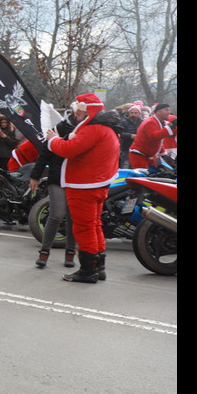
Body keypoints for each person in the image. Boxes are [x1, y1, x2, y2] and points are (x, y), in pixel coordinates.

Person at [44, 93, 121, 283]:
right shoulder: (106, 129)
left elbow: (68, 149)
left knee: (84, 228)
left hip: (84, 185)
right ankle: (98, 266)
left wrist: (53, 139)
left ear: (88, 112)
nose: (76, 117)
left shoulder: (93, 130)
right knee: (94, 225)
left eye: (78, 114)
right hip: (97, 184)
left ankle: (88, 271)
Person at [29, 113, 78, 269]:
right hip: (57, 178)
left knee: (72, 217)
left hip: (76, 179)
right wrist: (35, 176)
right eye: (76, 112)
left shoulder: (87, 129)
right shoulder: (58, 128)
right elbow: (45, 154)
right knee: (56, 215)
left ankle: (70, 252)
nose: (79, 115)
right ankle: (44, 252)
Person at [129, 103, 176, 171]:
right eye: (166, 110)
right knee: (141, 178)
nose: (168, 112)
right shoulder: (150, 122)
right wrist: (170, 127)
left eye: (169, 110)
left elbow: (159, 141)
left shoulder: (159, 122)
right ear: (158, 112)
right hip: (139, 156)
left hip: (149, 156)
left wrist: (163, 155)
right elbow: (154, 137)